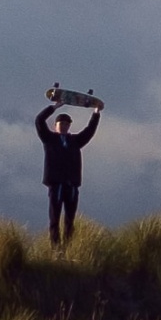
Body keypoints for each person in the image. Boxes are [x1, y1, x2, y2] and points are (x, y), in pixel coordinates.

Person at [35, 97, 102, 247]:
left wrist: (96, 113)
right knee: (54, 219)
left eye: (67, 124)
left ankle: (68, 247)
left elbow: (89, 131)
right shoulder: (49, 139)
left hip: (71, 185)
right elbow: (39, 120)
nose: (64, 126)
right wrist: (54, 107)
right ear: (56, 125)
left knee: (70, 220)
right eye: (61, 123)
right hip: (56, 184)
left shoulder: (75, 141)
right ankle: (55, 248)